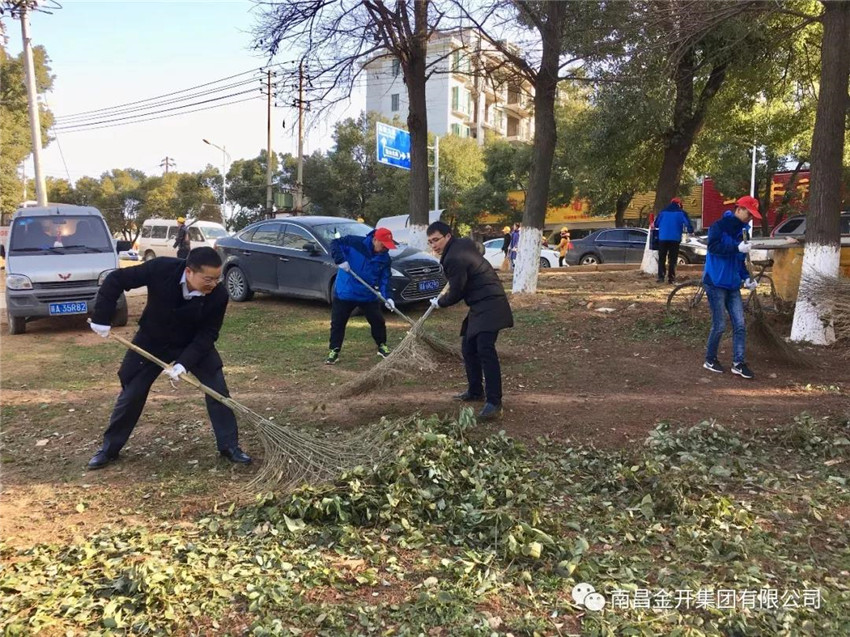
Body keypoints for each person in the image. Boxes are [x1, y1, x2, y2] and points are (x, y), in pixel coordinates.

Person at [86, 247, 251, 469]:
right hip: (152, 339)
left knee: (218, 389)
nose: (213, 284)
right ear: (189, 271)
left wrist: (184, 363)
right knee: (132, 392)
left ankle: (229, 446)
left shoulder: (218, 295)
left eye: (217, 278)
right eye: (208, 279)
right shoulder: (161, 268)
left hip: (192, 343)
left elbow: (208, 333)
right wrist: (101, 317)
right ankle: (109, 449)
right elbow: (116, 279)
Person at [425, 221, 514, 421]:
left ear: (448, 236)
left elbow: (457, 292)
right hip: (479, 304)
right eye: (430, 242)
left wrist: (441, 303)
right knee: (468, 347)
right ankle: (475, 391)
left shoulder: (454, 258)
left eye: (437, 240)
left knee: (485, 349)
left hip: (490, 302)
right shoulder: (462, 245)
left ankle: (494, 402)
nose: (434, 245)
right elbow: (475, 254)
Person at [702, 195, 762, 380]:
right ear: (738, 209)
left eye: (753, 216)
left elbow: (740, 261)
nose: (750, 218)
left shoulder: (744, 233)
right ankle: (710, 359)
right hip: (715, 281)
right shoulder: (718, 226)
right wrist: (737, 248)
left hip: (733, 284)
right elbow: (713, 248)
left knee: (740, 324)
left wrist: (746, 278)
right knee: (719, 325)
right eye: (748, 213)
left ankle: (738, 363)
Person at [326, 227, 397, 365]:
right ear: (375, 240)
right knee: (338, 323)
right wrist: (340, 260)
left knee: (378, 321)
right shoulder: (354, 242)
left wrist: (388, 297)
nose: (385, 249)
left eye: (387, 246)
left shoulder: (385, 258)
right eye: (383, 245)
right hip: (345, 292)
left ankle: (382, 345)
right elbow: (335, 243)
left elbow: (385, 279)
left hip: (367, 295)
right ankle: (334, 350)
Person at [654, 198, 694, 283]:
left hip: (662, 239)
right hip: (675, 239)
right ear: (679, 204)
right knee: (672, 259)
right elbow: (688, 225)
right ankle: (671, 279)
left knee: (662, 258)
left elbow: (656, 224)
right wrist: (691, 231)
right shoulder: (682, 213)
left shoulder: (662, 212)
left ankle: (661, 277)